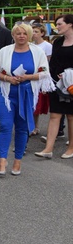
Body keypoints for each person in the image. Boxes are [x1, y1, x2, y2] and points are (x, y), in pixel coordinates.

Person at [0, 23, 53, 174]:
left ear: (29, 35)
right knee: (5, 126)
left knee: (22, 128)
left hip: (27, 93)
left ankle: (18, 161)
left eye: (24, 33)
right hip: (7, 93)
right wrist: (7, 78)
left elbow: (45, 73)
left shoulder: (37, 51)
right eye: (18, 33)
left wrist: (28, 77)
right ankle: (2, 160)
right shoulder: (5, 51)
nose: (21, 36)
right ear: (13, 35)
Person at [35, 14, 73, 158]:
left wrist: (69, 74)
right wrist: (53, 78)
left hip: (72, 85)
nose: (57, 27)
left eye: (60, 24)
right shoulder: (57, 42)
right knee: (55, 115)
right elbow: (53, 63)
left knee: (71, 116)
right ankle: (48, 149)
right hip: (58, 84)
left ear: (70, 24)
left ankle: (71, 148)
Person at [31, 23, 53, 135]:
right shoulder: (30, 45)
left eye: (36, 32)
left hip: (41, 77)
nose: (34, 34)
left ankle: (36, 126)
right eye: (33, 31)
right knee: (31, 102)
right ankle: (31, 125)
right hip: (31, 76)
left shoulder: (47, 46)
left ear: (42, 33)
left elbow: (49, 63)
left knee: (37, 103)